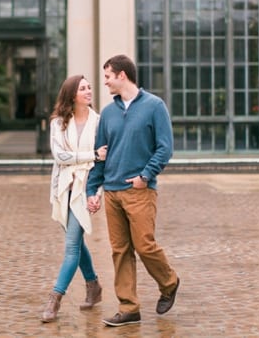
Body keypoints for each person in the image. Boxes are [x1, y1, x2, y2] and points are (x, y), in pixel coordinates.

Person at [86, 54, 180, 327]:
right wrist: (94, 188)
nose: (105, 83)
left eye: (107, 77)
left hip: (140, 190)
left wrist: (145, 176)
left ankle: (169, 281)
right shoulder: (108, 113)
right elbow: (101, 154)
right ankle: (129, 308)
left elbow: (165, 147)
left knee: (144, 245)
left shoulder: (154, 106)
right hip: (112, 191)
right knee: (120, 250)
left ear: (122, 75)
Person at [41, 75, 108, 323]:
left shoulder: (100, 123)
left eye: (89, 87)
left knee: (71, 247)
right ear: (71, 94)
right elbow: (61, 156)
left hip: (84, 189)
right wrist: (91, 154)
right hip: (61, 190)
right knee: (77, 244)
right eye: (83, 88)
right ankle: (93, 286)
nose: (89, 91)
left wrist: (95, 193)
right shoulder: (58, 123)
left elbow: (103, 164)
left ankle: (54, 299)